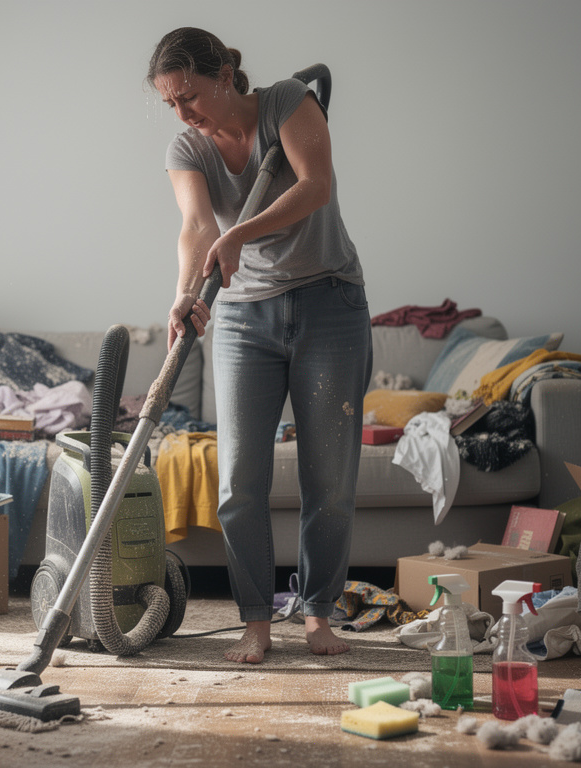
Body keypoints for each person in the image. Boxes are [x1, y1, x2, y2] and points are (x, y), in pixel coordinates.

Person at [147, 27, 372, 664]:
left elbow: (315, 185)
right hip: (244, 318)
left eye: (190, 95)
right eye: (170, 103)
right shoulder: (187, 146)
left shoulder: (288, 102)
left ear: (224, 74)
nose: (183, 112)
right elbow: (196, 225)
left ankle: (318, 612)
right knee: (239, 482)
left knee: (328, 479)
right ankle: (255, 621)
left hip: (330, 302)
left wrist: (240, 233)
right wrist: (185, 291)